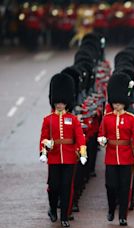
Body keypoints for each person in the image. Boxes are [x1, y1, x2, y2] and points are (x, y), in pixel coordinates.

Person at [39, 73, 87, 227]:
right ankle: (53, 209)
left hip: (69, 157)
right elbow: (43, 138)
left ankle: (65, 216)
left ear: (67, 103)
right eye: (57, 102)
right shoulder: (48, 119)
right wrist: (43, 152)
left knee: (67, 186)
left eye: (62, 102)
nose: (59, 105)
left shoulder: (73, 119)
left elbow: (79, 137)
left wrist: (82, 152)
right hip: (53, 157)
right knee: (53, 186)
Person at [97, 73, 134, 226]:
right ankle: (111, 208)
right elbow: (101, 134)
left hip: (126, 157)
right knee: (110, 186)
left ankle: (123, 216)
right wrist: (102, 140)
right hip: (111, 156)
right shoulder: (107, 118)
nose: (117, 106)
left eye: (119, 103)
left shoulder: (130, 118)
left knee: (125, 187)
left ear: (124, 103)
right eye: (115, 103)